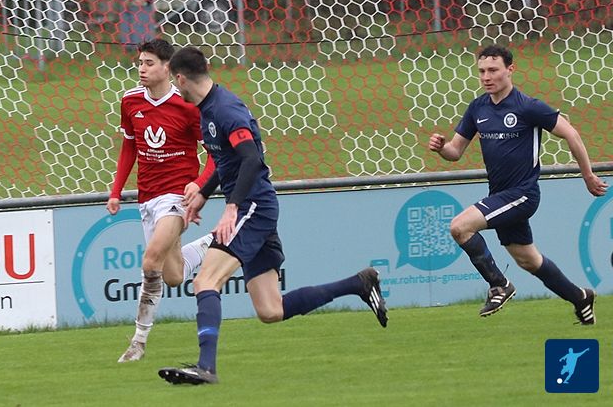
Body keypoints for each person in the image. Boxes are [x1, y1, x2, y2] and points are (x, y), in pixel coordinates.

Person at [157, 46, 388, 385]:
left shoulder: (226, 109)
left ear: (179, 78)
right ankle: (359, 283)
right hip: (254, 207)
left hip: (252, 207)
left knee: (205, 281)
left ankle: (206, 367)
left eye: (174, 83)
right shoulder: (209, 109)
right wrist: (203, 194)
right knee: (270, 310)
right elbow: (228, 161)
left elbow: (251, 158)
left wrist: (232, 208)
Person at [428, 44, 606, 324]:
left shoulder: (528, 107)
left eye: (493, 70)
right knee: (528, 260)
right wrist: (441, 149)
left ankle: (499, 285)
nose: (486, 77)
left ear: (510, 70)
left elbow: (571, 134)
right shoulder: (477, 107)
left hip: (523, 195)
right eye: (482, 71)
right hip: (500, 196)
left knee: (459, 227)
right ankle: (580, 297)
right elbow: (455, 151)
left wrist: (588, 175)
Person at [109, 38, 216, 363]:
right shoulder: (130, 101)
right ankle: (216, 240)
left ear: (167, 68)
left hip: (177, 197)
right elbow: (130, 146)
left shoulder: (188, 106)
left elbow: (215, 154)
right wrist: (116, 191)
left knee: (150, 260)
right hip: (147, 198)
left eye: (149, 63)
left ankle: (138, 341)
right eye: (140, 63)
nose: (141, 69)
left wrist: (199, 186)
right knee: (173, 276)